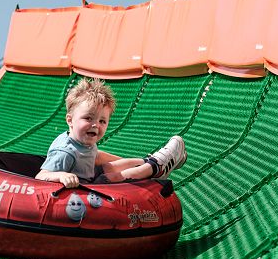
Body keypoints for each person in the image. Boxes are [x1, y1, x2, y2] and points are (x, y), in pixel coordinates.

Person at [35, 78, 187, 188]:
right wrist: (61, 176)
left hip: (89, 176)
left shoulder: (81, 141)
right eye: (88, 118)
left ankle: (147, 161)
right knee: (112, 176)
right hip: (86, 190)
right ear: (70, 120)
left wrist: (132, 163)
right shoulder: (65, 153)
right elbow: (40, 177)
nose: (95, 125)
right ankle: (155, 168)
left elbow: (96, 156)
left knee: (111, 166)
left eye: (102, 121)